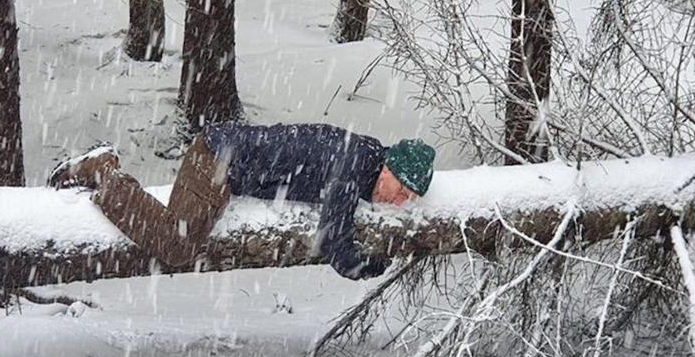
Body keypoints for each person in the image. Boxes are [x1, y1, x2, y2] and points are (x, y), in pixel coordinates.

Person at [48, 123, 436, 280]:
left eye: (409, 198)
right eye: (401, 189)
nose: (400, 201)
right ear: (388, 166)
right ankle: (102, 172)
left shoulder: (364, 160)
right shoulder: (353, 165)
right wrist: (374, 267)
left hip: (230, 157)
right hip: (218, 157)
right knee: (178, 245)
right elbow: (334, 244)